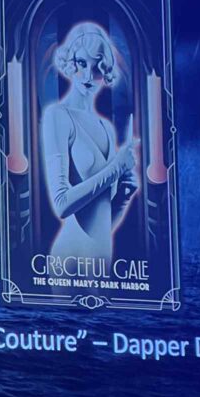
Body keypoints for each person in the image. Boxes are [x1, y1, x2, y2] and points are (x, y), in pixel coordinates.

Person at [41, 22, 138, 263]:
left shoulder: (106, 128)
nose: (88, 76)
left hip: (101, 259)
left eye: (97, 68)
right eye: (82, 63)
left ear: (106, 71)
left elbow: (99, 223)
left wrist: (123, 199)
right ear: (70, 63)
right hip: (69, 258)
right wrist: (117, 167)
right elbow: (61, 205)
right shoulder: (58, 116)